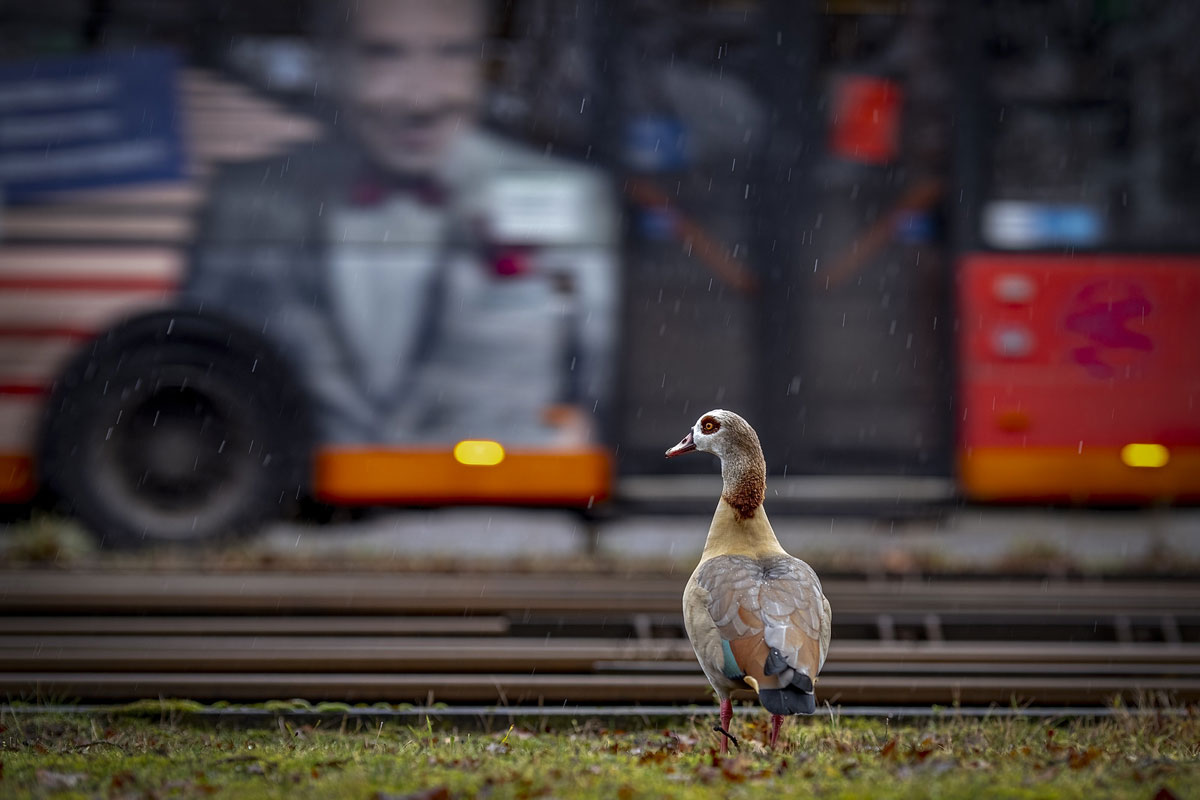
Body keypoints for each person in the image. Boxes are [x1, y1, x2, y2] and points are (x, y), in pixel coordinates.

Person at [184, 0, 616, 448]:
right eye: (383, 54)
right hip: (299, 503)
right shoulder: (248, 198)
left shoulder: (571, 197)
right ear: (330, 63)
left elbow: (608, 392)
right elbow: (191, 372)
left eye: (453, 53)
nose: (421, 99)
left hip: (508, 504)